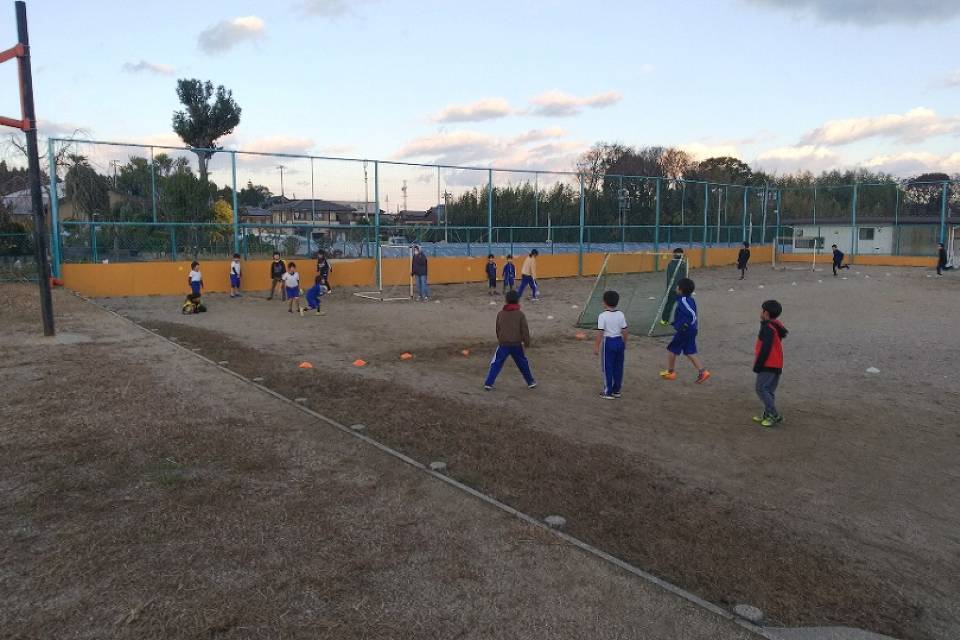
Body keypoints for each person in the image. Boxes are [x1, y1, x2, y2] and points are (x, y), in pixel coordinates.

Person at [659, 277, 710, 383]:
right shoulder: (689, 299)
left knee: (672, 349)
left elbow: (691, 314)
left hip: (685, 330)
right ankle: (703, 371)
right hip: (691, 329)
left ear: (681, 290)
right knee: (689, 351)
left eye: (677, 286)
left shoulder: (684, 301)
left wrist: (685, 325)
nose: (676, 288)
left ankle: (671, 372)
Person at [484, 290, 537, 390]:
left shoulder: (501, 314)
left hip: (504, 343)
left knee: (496, 363)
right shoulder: (520, 314)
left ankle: (489, 383)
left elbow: (498, 328)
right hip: (516, 344)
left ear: (506, 301)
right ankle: (530, 382)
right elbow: (524, 330)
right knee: (522, 363)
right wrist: (527, 342)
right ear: (518, 301)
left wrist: (500, 339)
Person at [752, 299, 789, 427]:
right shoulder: (775, 324)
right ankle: (768, 413)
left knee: (761, 388)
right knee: (769, 390)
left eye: (762, 310)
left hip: (768, 364)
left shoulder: (767, 327)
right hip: (777, 363)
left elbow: (765, 348)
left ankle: (774, 414)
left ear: (766, 313)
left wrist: (758, 365)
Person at [595, 290, 628, 399]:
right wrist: (624, 343)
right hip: (619, 341)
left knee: (607, 367)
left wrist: (596, 346)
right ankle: (616, 390)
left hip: (609, 343)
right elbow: (625, 330)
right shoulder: (621, 314)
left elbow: (600, 333)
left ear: (604, 302)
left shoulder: (602, 316)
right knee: (618, 367)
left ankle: (608, 391)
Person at [659, 248, 686, 325]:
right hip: (678, 289)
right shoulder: (680, 264)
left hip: (678, 289)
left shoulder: (673, 263)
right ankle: (665, 320)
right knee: (676, 305)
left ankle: (665, 320)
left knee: (673, 305)